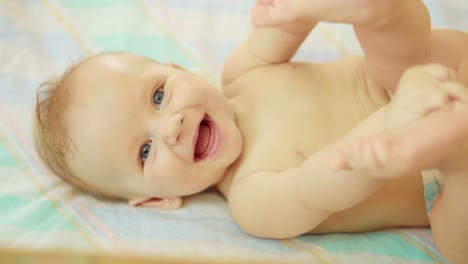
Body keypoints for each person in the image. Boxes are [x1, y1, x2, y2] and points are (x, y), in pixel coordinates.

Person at [35, 0, 468, 262]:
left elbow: (289, 20)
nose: (171, 126)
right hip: (438, 176)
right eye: (145, 152)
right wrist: (389, 129)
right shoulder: (250, 199)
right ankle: (449, 146)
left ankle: (374, 10)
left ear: (180, 69)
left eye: (159, 96)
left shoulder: (245, 73)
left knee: (395, 52)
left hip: (433, 71)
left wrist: (297, 9)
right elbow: (317, 186)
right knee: (457, 243)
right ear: (155, 200)